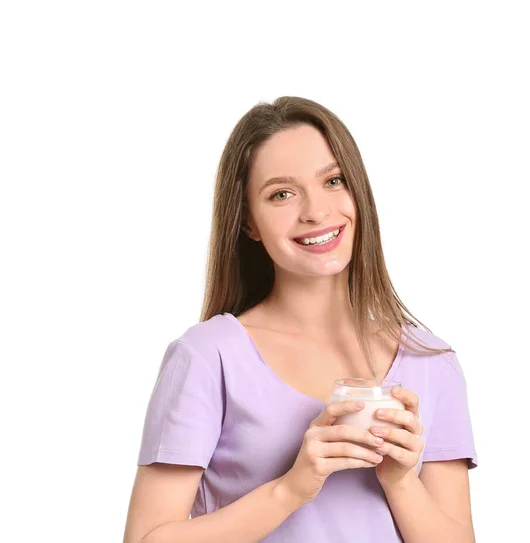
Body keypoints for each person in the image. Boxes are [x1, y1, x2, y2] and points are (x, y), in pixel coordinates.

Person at [123, 96, 478, 543]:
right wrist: (291, 489)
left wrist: (401, 481)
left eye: (334, 180)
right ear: (248, 222)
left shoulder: (431, 362)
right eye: (282, 194)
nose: (315, 210)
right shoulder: (207, 356)